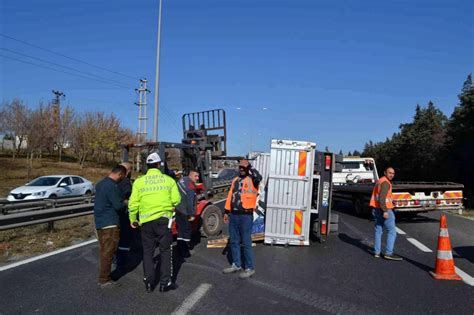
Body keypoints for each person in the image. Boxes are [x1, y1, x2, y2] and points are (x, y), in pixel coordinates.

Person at [128, 152, 181, 293]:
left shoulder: (139, 182)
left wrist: (133, 219)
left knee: (147, 252)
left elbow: (133, 203)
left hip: (145, 222)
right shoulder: (169, 180)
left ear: (147, 165)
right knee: (165, 252)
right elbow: (176, 200)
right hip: (164, 221)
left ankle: (149, 282)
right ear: (159, 165)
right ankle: (165, 283)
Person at [223, 159, 262, 279]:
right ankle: (236, 264)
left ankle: (249, 268)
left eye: (244, 167)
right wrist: (226, 211)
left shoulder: (253, 180)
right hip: (233, 215)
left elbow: (258, 177)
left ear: (248, 168)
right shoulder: (235, 180)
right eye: (240, 167)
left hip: (245, 215)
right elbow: (230, 196)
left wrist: (250, 167)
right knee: (234, 241)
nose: (241, 169)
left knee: (246, 242)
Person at [93, 165, 127, 288]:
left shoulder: (100, 183)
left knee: (103, 250)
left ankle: (104, 276)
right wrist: (125, 202)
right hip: (110, 223)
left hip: (100, 221)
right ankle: (104, 279)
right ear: (120, 174)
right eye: (123, 177)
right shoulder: (113, 186)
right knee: (108, 252)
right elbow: (118, 205)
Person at [369, 167, 403, 261]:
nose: (391, 175)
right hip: (385, 209)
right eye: (389, 173)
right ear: (385, 173)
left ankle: (377, 252)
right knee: (392, 232)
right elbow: (382, 198)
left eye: (393, 173)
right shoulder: (385, 183)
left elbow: (381, 197)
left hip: (376, 208)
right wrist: (385, 210)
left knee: (378, 230)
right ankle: (388, 253)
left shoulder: (380, 181)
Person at [175, 169, 199, 258]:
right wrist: (191, 214)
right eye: (196, 176)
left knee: (180, 230)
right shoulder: (191, 186)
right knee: (186, 231)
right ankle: (185, 250)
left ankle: (179, 247)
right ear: (191, 175)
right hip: (185, 212)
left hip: (178, 209)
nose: (197, 178)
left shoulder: (181, 180)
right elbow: (190, 202)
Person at [115, 162, 134, 270]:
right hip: (125, 213)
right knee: (125, 238)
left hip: (114, 214)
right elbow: (129, 196)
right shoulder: (126, 181)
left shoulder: (113, 181)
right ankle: (122, 260)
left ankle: (115, 257)